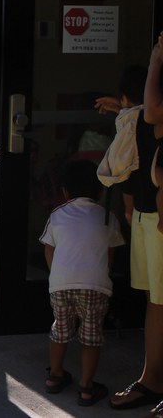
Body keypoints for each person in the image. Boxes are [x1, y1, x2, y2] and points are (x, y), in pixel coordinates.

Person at [39, 159, 123, 406]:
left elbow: (48, 249)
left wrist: (56, 274)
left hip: (61, 283)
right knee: (91, 334)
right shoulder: (108, 216)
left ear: (65, 191)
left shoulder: (57, 215)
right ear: (99, 191)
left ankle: (55, 376)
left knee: (60, 329)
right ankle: (86, 387)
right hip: (95, 284)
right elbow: (110, 253)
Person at [109, 34, 163, 411]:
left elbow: (153, 113)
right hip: (147, 213)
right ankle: (151, 379)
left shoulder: (150, 107)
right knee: (154, 300)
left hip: (158, 215)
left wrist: (156, 61)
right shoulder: (136, 112)